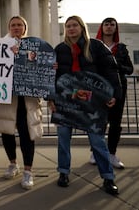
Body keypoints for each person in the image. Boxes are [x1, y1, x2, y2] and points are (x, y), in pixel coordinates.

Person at [49, 15, 121, 195]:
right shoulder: (60, 49)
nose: (71, 29)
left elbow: (111, 71)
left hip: (92, 102)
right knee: (63, 140)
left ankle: (108, 177)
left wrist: (114, 93)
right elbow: (52, 77)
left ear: (82, 27)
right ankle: (63, 173)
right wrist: (50, 98)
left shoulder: (96, 47)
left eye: (74, 25)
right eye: (68, 26)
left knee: (97, 141)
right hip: (66, 102)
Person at [0, 16, 43, 190]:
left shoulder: (35, 46)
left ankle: (28, 171)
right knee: (7, 132)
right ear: (9, 27)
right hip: (7, 98)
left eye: (20, 25)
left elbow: (41, 68)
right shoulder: (0, 46)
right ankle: (13, 164)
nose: (16, 27)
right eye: (13, 25)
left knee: (27, 134)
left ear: (25, 28)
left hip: (27, 99)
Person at [89, 17, 134, 168]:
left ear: (116, 28)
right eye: (106, 24)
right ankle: (95, 152)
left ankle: (112, 154)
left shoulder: (121, 48)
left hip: (118, 88)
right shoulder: (94, 47)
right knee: (99, 121)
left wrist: (115, 65)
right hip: (99, 87)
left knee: (116, 122)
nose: (109, 27)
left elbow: (130, 69)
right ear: (102, 27)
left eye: (112, 24)